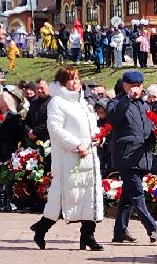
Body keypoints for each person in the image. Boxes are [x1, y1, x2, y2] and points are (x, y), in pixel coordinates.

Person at [33, 66, 105, 251]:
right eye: (71, 79)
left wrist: (98, 137)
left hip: (88, 158)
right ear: (63, 82)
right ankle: (41, 228)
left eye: (77, 78)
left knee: (90, 198)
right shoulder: (57, 102)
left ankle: (88, 235)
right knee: (63, 199)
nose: (76, 82)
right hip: (69, 159)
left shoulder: (82, 102)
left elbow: (91, 126)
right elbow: (56, 130)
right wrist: (76, 144)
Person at [105, 70, 157, 243]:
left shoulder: (144, 105)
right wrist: (127, 99)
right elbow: (113, 118)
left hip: (141, 156)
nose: (136, 89)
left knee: (128, 197)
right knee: (137, 194)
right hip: (126, 156)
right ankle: (153, 229)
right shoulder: (116, 103)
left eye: (138, 85)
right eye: (132, 86)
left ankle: (120, 231)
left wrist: (155, 135)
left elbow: (145, 130)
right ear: (125, 85)